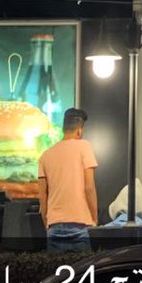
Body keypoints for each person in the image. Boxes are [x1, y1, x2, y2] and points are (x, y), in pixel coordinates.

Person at [37, 107, 99, 252]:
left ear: (63, 129)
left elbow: (42, 197)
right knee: (82, 266)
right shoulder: (84, 146)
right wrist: (94, 219)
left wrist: (47, 224)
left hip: (54, 226)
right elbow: (89, 187)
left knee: (56, 267)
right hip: (80, 224)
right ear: (80, 131)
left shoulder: (45, 155)